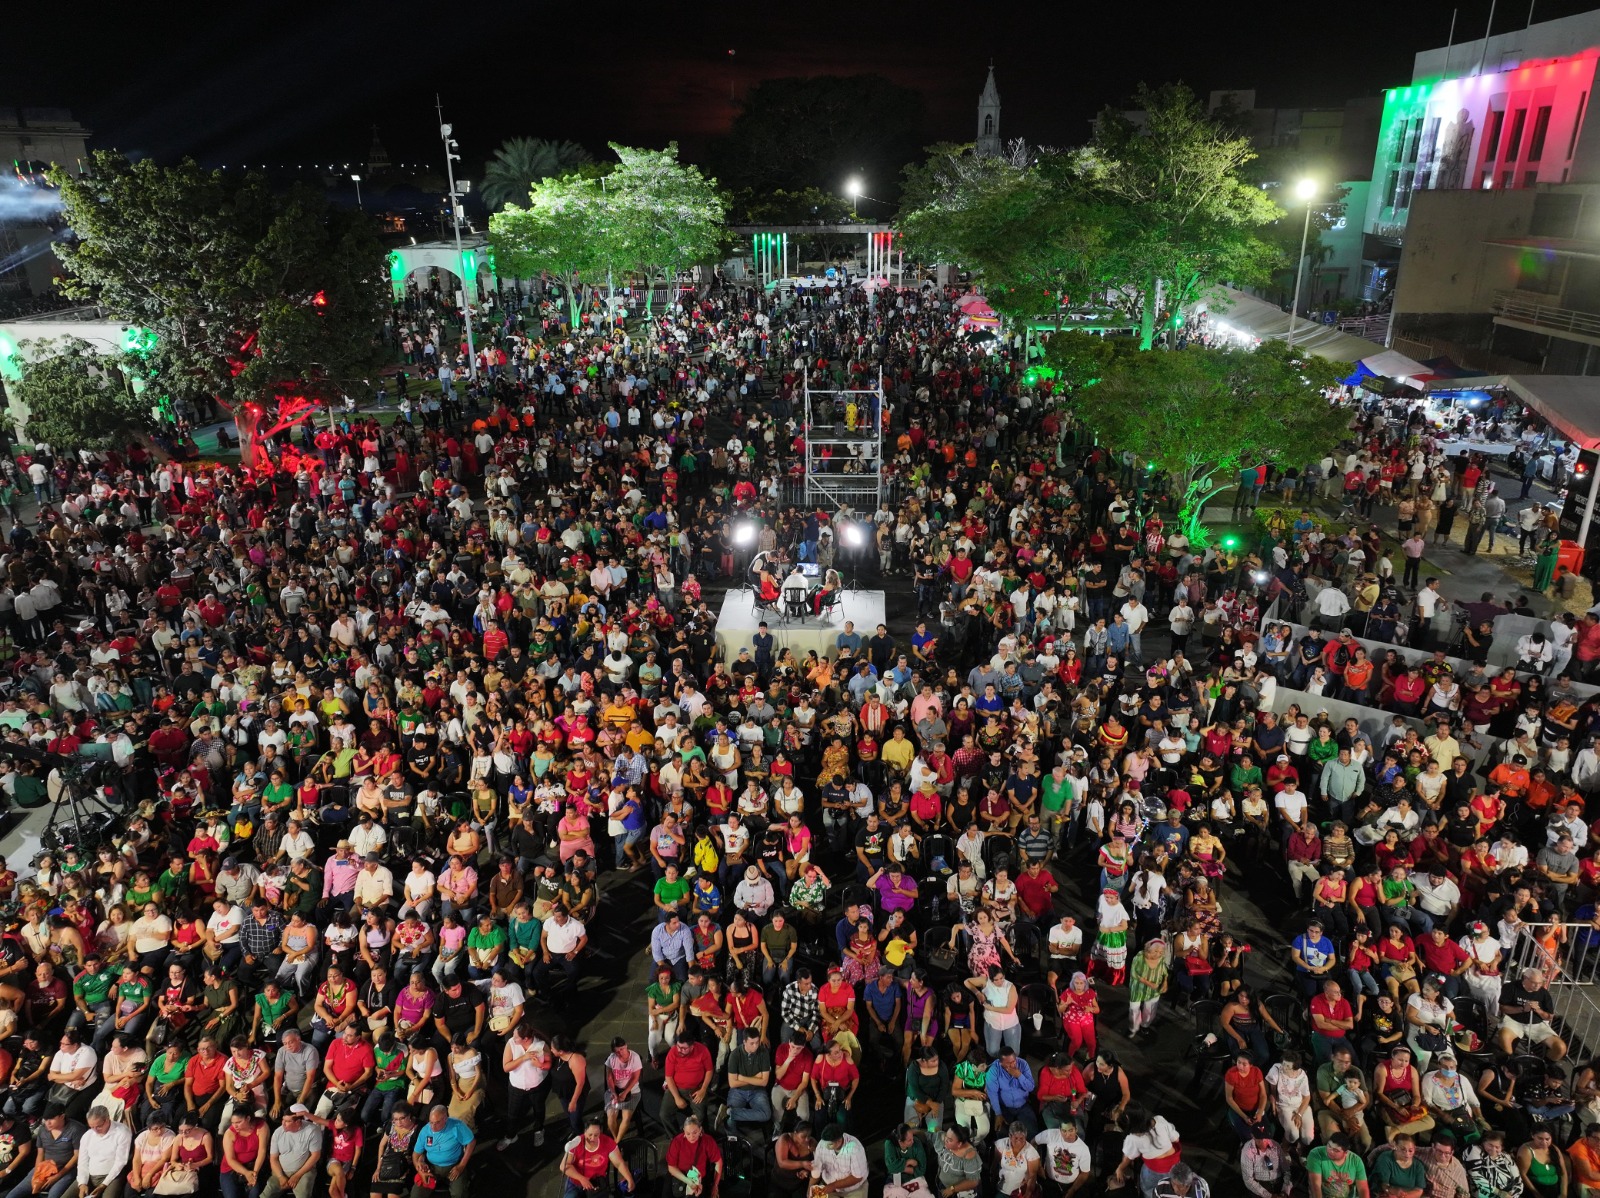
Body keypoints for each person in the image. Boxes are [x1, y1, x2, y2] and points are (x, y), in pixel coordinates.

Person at [559, 1116, 632, 1198]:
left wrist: (629, 1178)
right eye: (590, 1135)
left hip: (596, 1182)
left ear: (600, 1133)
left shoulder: (608, 1142)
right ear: (585, 1132)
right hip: (576, 1182)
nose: (592, 1138)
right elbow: (564, 1166)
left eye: (596, 1135)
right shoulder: (576, 1143)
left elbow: (619, 1163)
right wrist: (582, 1179)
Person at [665, 1115, 722, 1198]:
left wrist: (715, 1185)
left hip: (699, 1178)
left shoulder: (707, 1141)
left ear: (700, 1130)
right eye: (688, 1133)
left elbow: (718, 1162)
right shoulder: (677, 1141)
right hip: (680, 1176)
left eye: (695, 1133)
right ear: (684, 1131)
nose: (691, 1137)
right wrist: (688, 1181)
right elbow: (671, 1167)